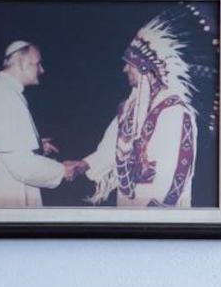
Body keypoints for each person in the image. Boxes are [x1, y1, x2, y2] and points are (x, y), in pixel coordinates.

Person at [82, 16, 199, 207]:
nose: (124, 69)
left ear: (146, 68)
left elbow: (176, 174)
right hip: (128, 205)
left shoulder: (175, 112)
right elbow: (111, 146)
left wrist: (152, 218)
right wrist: (84, 165)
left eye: (130, 64)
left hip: (156, 213)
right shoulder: (130, 107)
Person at [0, 41, 86, 206]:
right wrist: (62, 171)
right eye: (38, 64)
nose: (42, 70)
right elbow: (21, 165)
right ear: (21, 64)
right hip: (11, 191)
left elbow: (2, 147)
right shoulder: (6, 96)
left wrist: (35, 145)